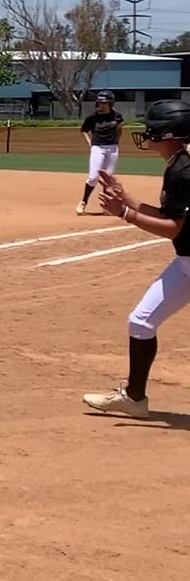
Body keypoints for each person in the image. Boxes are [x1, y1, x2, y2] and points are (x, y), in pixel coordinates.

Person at [82, 100, 190, 419]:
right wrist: (125, 197)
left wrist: (126, 214)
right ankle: (134, 398)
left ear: (167, 132)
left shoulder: (183, 171)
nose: (146, 131)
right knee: (141, 322)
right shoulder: (177, 163)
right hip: (186, 263)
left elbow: (173, 228)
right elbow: (168, 216)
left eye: (151, 126)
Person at [78, 91, 123, 215]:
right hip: (98, 147)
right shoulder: (92, 117)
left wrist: (117, 142)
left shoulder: (117, 116)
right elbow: (84, 130)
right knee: (93, 177)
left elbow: (119, 129)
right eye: (100, 103)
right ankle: (84, 202)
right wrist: (90, 143)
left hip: (112, 148)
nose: (102, 105)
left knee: (108, 179)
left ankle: (106, 207)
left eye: (105, 103)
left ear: (111, 103)